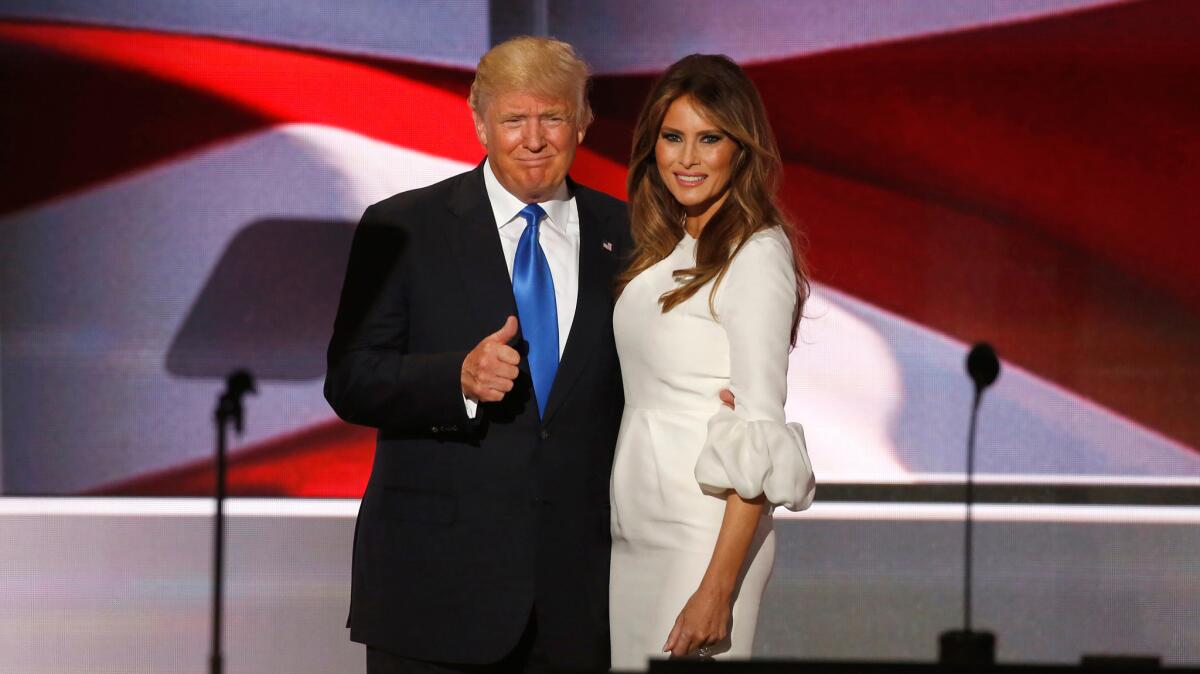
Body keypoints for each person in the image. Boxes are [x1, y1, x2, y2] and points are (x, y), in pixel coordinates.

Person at [324, 36, 630, 673]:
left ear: (583, 122)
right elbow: (351, 377)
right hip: (434, 592)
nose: (535, 138)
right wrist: (455, 379)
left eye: (553, 117)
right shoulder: (401, 228)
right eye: (515, 119)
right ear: (480, 123)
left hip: (580, 600)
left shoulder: (631, 236)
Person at [609, 54, 817, 665]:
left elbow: (760, 430)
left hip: (702, 539)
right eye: (673, 138)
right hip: (636, 528)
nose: (688, 158)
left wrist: (716, 588)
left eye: (710, 139)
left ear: (742, 150)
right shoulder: (666, 249)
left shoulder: (755, 254)